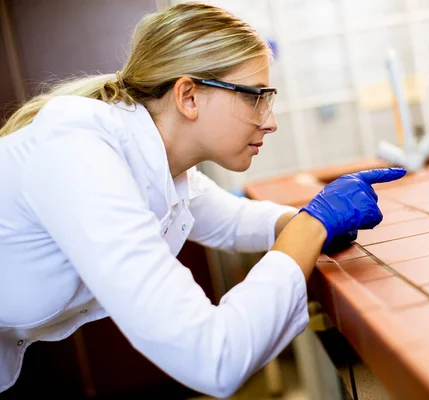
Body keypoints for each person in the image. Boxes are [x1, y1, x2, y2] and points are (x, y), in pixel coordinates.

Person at [0, 2, 406, 398]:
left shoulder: (156, 161)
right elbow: (213, 358)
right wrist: (312, 223)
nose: (271, 120)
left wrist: (310, 222)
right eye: (254, 97)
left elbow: (231, 220)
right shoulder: (79, 154)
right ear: (188, 97)